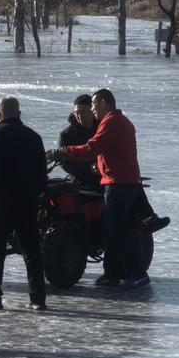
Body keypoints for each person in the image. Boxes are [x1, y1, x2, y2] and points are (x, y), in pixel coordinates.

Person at [56, 88, 149, 288]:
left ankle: (138, 272)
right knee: (110, 228)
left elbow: (92, 148)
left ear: (105, 103)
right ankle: (112, 273)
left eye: (95, 104)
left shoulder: (111, 123)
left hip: (118, 182)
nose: (93, 108)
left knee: (117, 228)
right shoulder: (120, 121)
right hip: (120, 180)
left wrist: (64, 152)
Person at [58, 93, 170, 232]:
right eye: (76, 113)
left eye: (84, 112)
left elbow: (93, 148)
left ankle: (146, 216)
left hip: (108, 174)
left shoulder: (103, 125)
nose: (80, 116)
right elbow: (65, 163)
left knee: (131, 183)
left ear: (92, 110)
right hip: (83, 177)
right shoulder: (67, 134)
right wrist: (89, 169)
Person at [0, 96, 48, 311]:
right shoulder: (34, 137)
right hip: (27, 200)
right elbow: (41, 172)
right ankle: (38, 299)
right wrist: (35, 194)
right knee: (31, 249)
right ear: (19, 113)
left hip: (2, 201)